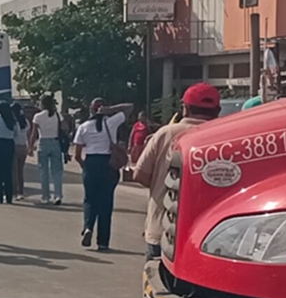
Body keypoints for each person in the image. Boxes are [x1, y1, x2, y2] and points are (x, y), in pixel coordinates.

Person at [133, 84, 220, 260]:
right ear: (217, 111)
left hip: (162, 230)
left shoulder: (166, 133)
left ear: (185, 108)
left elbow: (140, 175)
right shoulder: (224, 135)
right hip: (208, 239)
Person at [73, 98, 134, 251]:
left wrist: (84, 166)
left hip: (91, 163)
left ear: (90, 110)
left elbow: (77, 155)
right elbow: (129, 107)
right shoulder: (111, 122)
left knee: (90, 199)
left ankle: (88, 227)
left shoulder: (83, 127)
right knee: (106, 203)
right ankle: (103, 242)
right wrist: (111, 109)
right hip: (108, 165)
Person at [30, 94, 66, 206]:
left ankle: (45, 197)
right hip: (55, 142)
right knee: (57, 171)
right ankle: (58, 195)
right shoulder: (58, 115)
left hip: (43, 143)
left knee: (43, 171)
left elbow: (33, 134)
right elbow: (65, 128)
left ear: (42, 103)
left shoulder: (38, 116)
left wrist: (30, 147)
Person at [11, 103, 30, 200]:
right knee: (20, 171)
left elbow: (13, 135)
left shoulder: (14, 122)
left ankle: (14, 192)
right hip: (24, 147)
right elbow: (28, 135)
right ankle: (21, 192)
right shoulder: (25, 121)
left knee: (14, 171)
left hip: (15, 146)